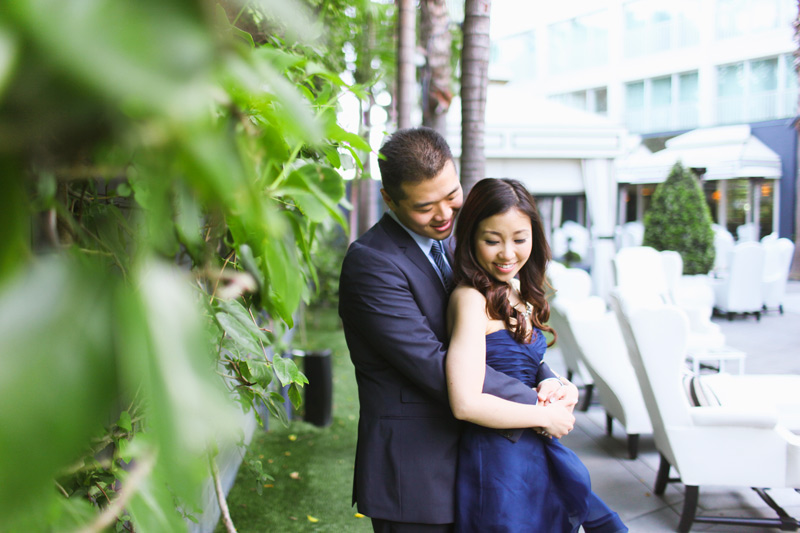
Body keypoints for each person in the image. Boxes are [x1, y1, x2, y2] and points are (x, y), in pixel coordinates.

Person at [338, 127, 579, 532]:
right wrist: (538, 408)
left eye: (452, 195)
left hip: (484, 461)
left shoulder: (461, 242)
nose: (445, 214)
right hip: (418, 473)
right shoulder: (371, 264)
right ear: (390, 200)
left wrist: (551, 379)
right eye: (425, 206)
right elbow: (434, 365)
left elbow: (500, 335)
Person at [446, 177, 627, 533]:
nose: (507, 253)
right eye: (492, 240)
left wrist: (559, 386)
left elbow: (524, 365)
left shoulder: (514, 290)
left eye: (519, 239)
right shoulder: (471, 299)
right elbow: (464, 403)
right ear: (470, 238)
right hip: (500, 461)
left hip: (534, 451)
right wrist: (542, 417)